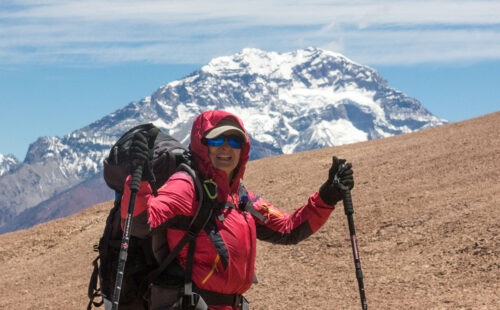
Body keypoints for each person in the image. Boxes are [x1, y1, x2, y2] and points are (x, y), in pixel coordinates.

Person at [122, 110, 354, 310]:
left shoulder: (240, 197)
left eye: (234, 141)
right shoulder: (187, 186)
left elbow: (288, 229)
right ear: (202, 146)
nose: (226, 148)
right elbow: (140, 222)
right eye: (216, 141)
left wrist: (327, 196)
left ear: (243, 150)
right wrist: (139, 179)